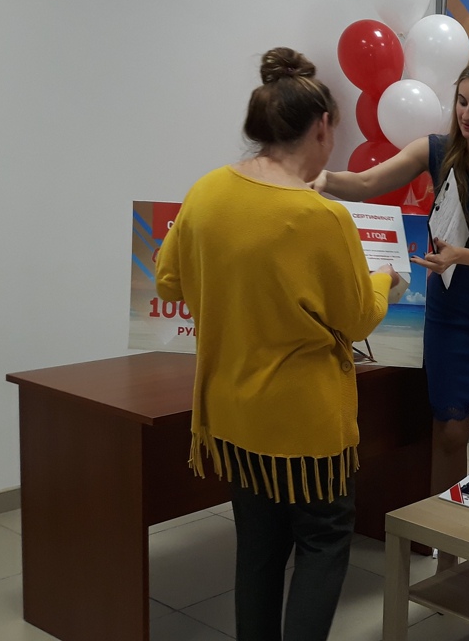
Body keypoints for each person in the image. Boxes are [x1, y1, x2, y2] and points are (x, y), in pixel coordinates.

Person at [156, 47, 400, 640]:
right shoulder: (322, 218)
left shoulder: (207, 192)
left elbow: (169, 279)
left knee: (258, 547)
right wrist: (384, 281)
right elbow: (356, 318)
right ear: (322, 127)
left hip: (232, 415)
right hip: (305, 424)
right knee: (323, 541)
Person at [315, 58, 469, 570]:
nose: (467, 114)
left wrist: (459, 256)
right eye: (462, 101)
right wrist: (316, 177)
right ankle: (448, 556)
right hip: (452, 317)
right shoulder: (435, 150)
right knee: (450, 431)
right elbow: (367, 182)